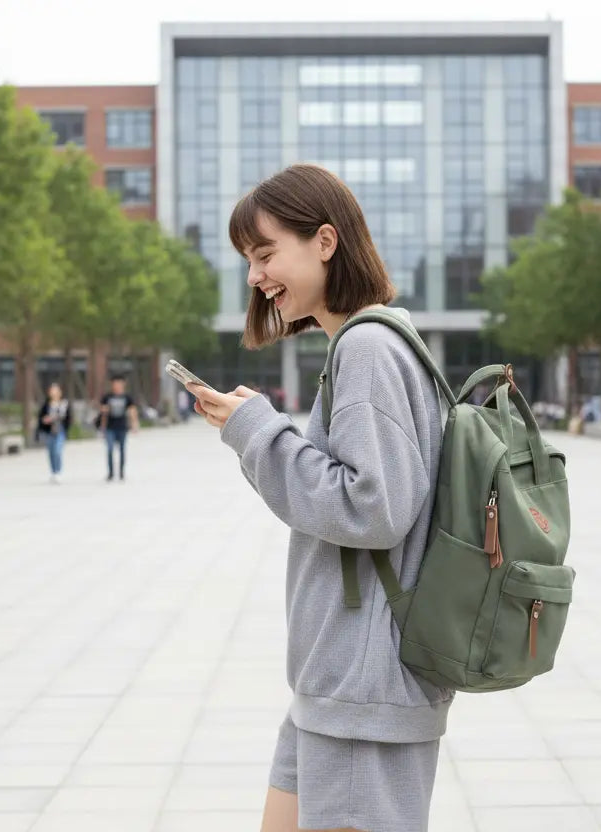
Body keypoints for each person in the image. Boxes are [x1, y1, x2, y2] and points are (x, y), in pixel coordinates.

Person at [188, 165, 451, 832]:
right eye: (250, 259)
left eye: (265, 253)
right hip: (334, 683)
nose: (255, 276)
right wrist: (257, 431)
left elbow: (373, 509)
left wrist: (258, 433)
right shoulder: (364, 345)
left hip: (362, 688)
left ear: (325, 242)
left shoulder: (366, 347)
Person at [99, 375, 139, 481]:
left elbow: (132, 411)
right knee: (110, 449)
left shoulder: (127, 397)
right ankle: (111, 472)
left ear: (123, 385)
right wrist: (102, 427)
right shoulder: (107, 397)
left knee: (122, 450)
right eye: (115, 383)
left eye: (119, 383)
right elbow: (102, 413)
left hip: (122, 427)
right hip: (110, 427)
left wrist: (134, 425)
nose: (117, 386)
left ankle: (121, 472)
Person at [36, 382, 71, 484]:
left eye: (56, 390)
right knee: (51, 452)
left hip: (60, 430)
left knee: (57, 451)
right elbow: (40, 417)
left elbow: (68, 418)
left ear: (60, 392)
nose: (54, 393)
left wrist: (66, 427)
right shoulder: (46, 404)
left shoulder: (64, 404)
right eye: (52, 391)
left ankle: (58, 471)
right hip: (49, 431)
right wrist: (45, 420)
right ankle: (53, 471)